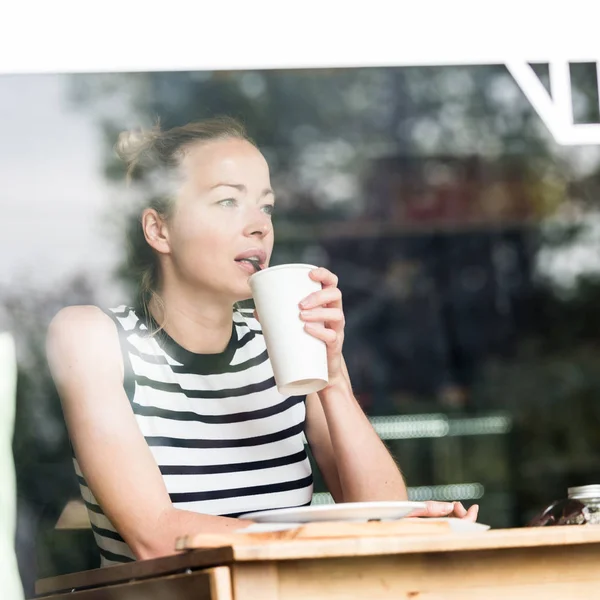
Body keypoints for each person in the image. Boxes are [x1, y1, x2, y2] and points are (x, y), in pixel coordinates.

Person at [46, 116, 478, 567]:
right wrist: (334, 537)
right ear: (159, 230)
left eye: (266, 207)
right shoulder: (92, 337)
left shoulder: (283, 341)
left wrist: (332, 379)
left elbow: (382, 516)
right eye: (228, 201)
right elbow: (154, 535)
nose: (259, 226)